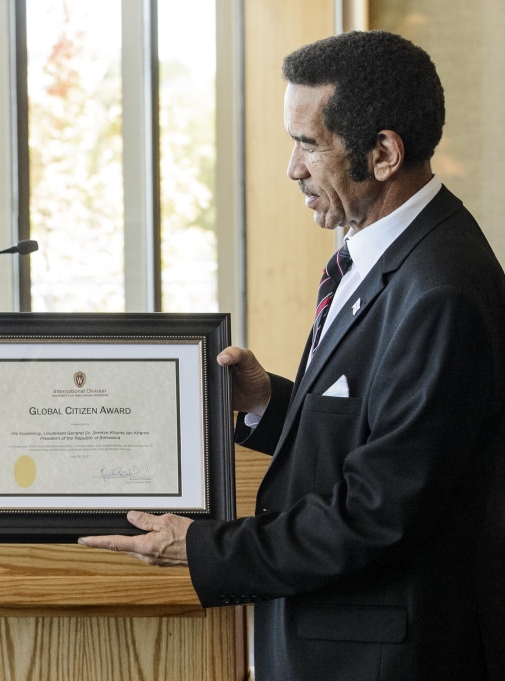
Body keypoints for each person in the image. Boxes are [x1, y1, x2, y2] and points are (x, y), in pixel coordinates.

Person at [79, 30, 505, 680]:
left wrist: (198, 547)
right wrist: (267, 400)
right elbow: (379, 429)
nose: (292, 168)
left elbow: (376, 513)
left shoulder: (441, 288)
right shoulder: (384, 250)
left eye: (308, 143)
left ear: (384, 153)